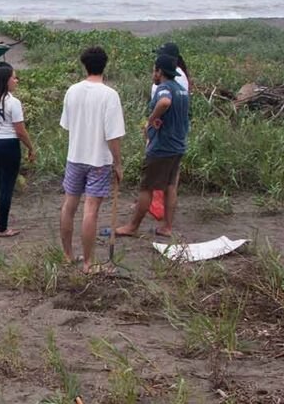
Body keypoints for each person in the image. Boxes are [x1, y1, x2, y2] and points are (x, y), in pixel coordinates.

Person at [59, 46, 126, 273]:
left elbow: (67, 125)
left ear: (84, 65)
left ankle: (68, 255)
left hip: (75, 157)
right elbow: (113, 136)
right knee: (90, 210)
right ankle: (88, 263)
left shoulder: (72, 91)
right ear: (105, 65)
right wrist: (118, 163)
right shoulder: (109, 95)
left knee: (69, 205)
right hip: (99, 160)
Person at [117, 54, 190, 238]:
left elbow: (165, 102)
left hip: (162, 147)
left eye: (154, 70)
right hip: (178, 146)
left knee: (146, 187)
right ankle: (167, 227)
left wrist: (151, 120)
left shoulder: (164, 88)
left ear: (160, 71)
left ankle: (132, 227)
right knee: (170, 186)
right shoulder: (182, 90)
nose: (152, 74)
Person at [0, 62, 36, 237]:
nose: (16, 80)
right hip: (8, 146)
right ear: (6, 80)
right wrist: (31, 147)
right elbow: (20, 131)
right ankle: (2, 228)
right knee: (6, 186)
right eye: (14, 77)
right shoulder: (13, 102)